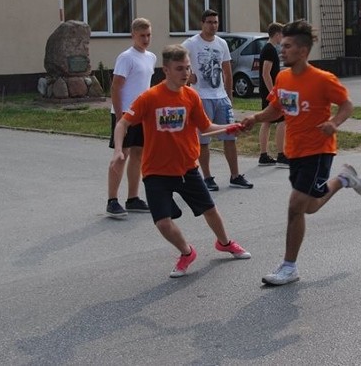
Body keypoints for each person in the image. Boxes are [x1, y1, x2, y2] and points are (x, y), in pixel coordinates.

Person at [240, 20, 361, 286]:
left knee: (296, 206)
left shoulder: (323, 80)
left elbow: (347, 105)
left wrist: (333, 123)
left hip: (318, 151)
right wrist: (255, 117)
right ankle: (343, 179)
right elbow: (276, 109)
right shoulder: (283, 77)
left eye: (287, 46)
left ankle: (289, 267)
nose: (282, 51)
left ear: (303, 51)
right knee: (309, 207)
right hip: (295, 152)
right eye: (282, 45)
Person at [110, 44, 251, 278]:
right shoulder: (150, 97)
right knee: (163, 223)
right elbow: (122, 124)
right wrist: (118, 151)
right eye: (179, 69)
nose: (185, 73)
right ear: (166, 70)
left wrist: (231, 127)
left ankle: (224, 243)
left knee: (210, 211)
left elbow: (206, 127)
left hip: (187, 168)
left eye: (187, 68)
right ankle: (186, 252)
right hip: (156, 171)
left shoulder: (191, 96)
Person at [182, 9, 253, 191]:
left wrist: (229, 97)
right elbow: (178, 62)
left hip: (220, 97)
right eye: (209, 22)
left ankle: (235, 175)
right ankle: (207, 177)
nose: (213, 26)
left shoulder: (221, 43)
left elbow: (227, 72)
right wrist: (188, 76)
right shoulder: (191, 43)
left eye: (216, 22)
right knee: (204, 140)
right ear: (202, 23)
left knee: (230, 136)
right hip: (201, 97)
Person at [105, 18, 156, 218]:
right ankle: (112, 200)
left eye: (148, 35)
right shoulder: (126, 57)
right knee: (121, 155)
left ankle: (133, 198)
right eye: (142, 35)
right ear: (133, 35)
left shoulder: (151, 57)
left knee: (138, 154)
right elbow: (116, 87)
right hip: (125, 114)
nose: (145, 39)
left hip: (142, 115)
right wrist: (120, 118)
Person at [257, 22, 287, 166]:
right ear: (277, 34)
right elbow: (265, 73)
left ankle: (263, 155)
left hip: (267, 91)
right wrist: (273, 93)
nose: (283, 38)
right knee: (282, 120)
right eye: (282, 34)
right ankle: (281, 155)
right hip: (270, 92)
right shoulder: (269, 50)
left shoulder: (268, 48)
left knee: (267, 121)